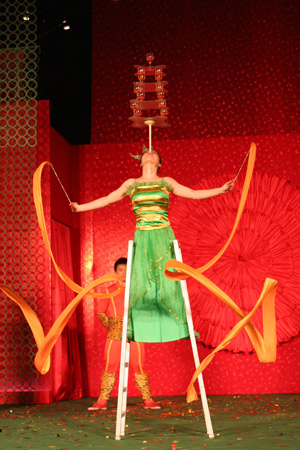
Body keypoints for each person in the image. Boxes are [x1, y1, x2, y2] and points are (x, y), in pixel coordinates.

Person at [70, 145, 234, 345]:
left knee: (169, 279)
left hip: (163, 234)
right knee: (140, 280)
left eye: (155, 152)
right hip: (143, 235)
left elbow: (193, 194)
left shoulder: (167, 182)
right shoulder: (132, 184)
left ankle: (179, 325)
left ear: (160, 163)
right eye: (147, 152)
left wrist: (221, 190)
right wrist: (80, 208)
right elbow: (107, 199)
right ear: (140, 162)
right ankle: (135, 327)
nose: (150, 152)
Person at [88, 257, 160, 411]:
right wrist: (114, 326)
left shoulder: (139, 290)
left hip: (135, 334)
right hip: (115, 335)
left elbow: (146, 312)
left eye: (127, 270)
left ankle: (148, 400)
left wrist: (137, 325)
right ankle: (102, 401)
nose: (123, 273)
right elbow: (101, 313)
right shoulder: (108, 290)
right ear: (115, 271)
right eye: (120, 270)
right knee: (110, 365)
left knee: (139, 365)